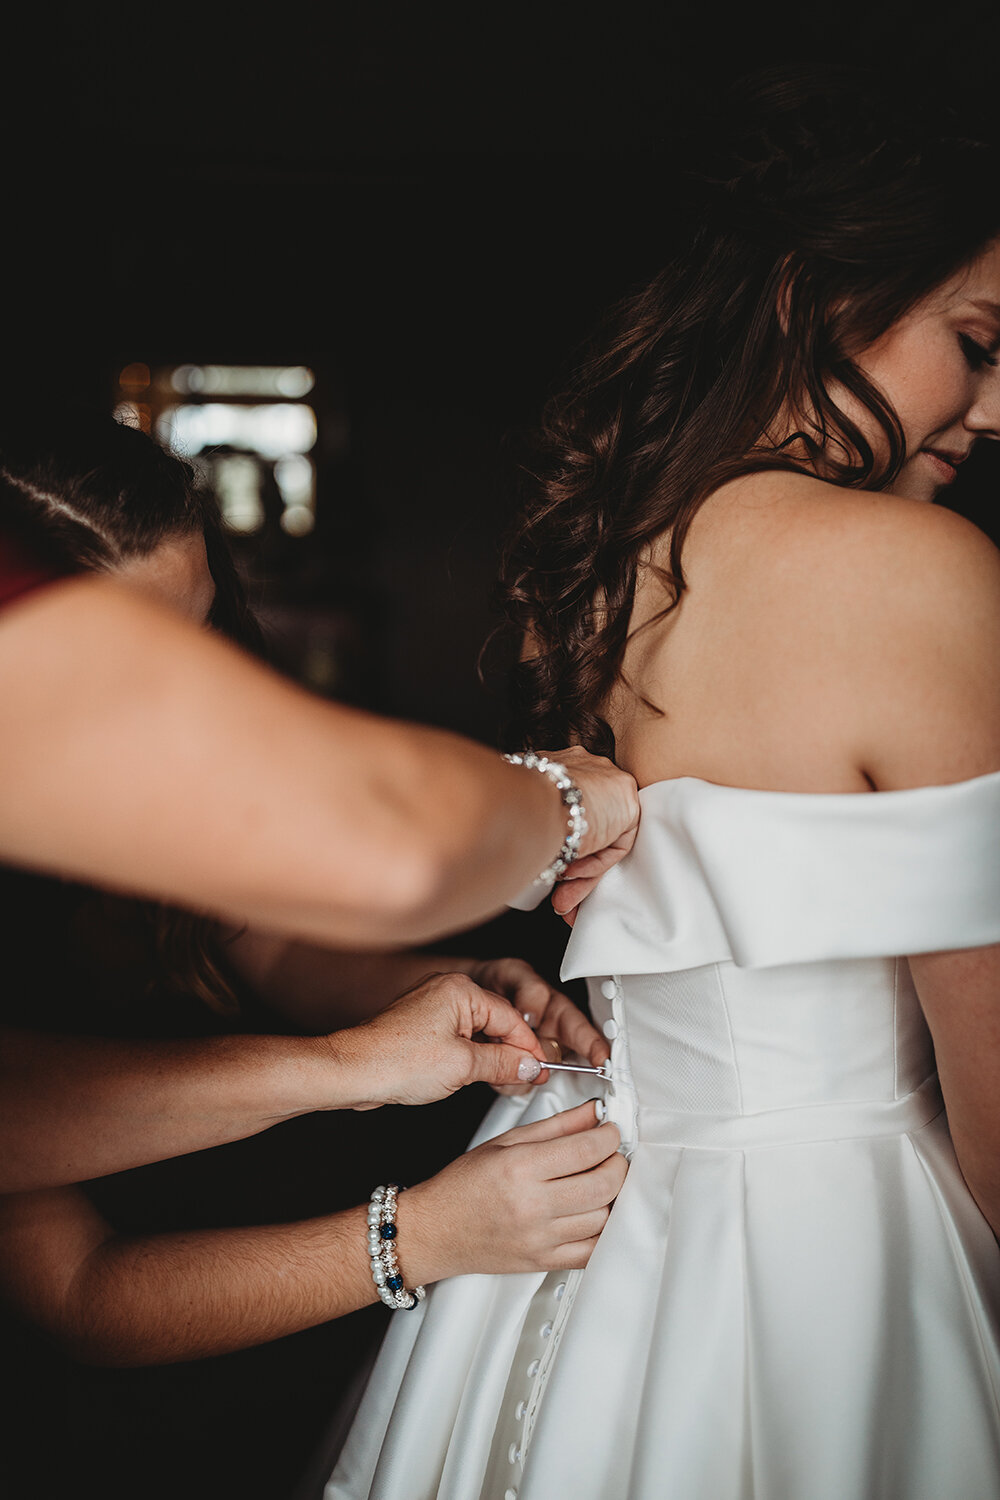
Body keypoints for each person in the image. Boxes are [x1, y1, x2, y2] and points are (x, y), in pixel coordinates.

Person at [326, 68, 1000, 1500]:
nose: (997, 411)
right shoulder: (921, 575)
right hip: (836, 1235)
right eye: (979, 342)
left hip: (585, 1211)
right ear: (813, 295)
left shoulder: (608, 560)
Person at [0, 413, 627, 1366]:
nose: (195, 692)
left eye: (206, 629)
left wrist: (445, 986)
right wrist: (416, 1234)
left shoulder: (161, 768)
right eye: (137, 661)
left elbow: (266, 939)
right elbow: (81, 1290)